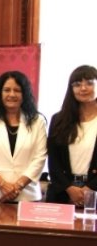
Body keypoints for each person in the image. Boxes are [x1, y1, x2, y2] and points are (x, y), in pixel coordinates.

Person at [0, 70, 47, 202]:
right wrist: (2, 184)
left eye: (17, 90)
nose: (12, 94)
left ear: (25, 94)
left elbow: (40, 157)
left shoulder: (37, 121)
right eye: (7, 90)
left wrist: (18, 186)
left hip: (27, 195)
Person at [46, 65, 97, 205]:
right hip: (63, 193)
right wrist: (69, 188)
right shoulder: (58, 119)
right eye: (77, 84)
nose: (83, 88)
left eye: (89, 83)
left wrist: (90, 188)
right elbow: (53, 160)